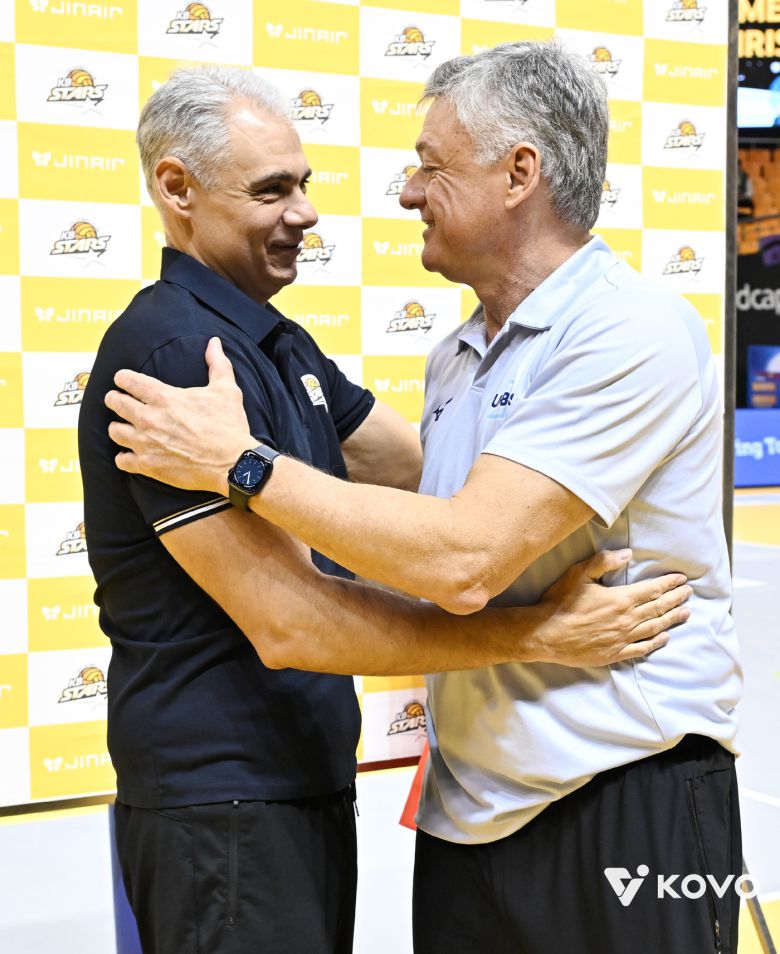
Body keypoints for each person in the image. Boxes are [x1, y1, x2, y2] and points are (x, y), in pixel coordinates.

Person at [79, 64, 689, 954]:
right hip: (223, 802)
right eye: (271, 190)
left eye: (304, 184)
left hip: (299, 786)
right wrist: (537, 633)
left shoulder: (281, 343)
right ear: (177, 189)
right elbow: (291, 621)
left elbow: (433, 491)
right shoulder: (174, 354)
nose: (306, 213)